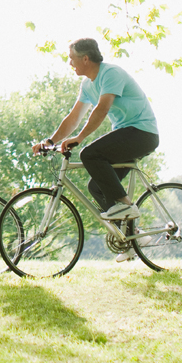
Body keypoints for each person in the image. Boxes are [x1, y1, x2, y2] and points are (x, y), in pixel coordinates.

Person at [32, 38, 159, 262]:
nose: (70, 63)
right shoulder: (88, 85)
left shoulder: (111, 74)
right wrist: (50, 141)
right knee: (97, 187)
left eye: (71, 59)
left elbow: (102, 109)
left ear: (86, 58)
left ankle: (128, 207)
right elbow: (73, 118)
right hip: (127, 133)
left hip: (142, 133)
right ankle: (132, 239)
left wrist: (80, 138)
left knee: (89, 154)